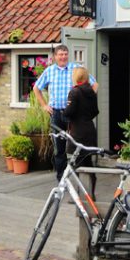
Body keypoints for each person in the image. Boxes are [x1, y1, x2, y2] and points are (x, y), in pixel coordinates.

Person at [33, 44, 97, 180]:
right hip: (56, 114)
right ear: (55, 57)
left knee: (78, 148)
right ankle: (62, 179)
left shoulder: (76, 69)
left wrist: (86, 101)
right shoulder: (49, 71)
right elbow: (36, 88)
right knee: (59, 149)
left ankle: (81, 178)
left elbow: (94, 84)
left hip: (74, 116)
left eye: (65, 54)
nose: (63, 57)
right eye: (60, 54)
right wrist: (44, 105)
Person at [65, 66, 99, 195]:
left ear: (76, 77)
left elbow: (69, 112)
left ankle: (80, 194)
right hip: (89, 130)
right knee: (88, 163)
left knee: (77, 164)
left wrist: (64, 112)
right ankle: (92, 193)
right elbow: (95, 111)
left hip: (78, 131)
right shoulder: (91, 91)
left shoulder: (74, 92)